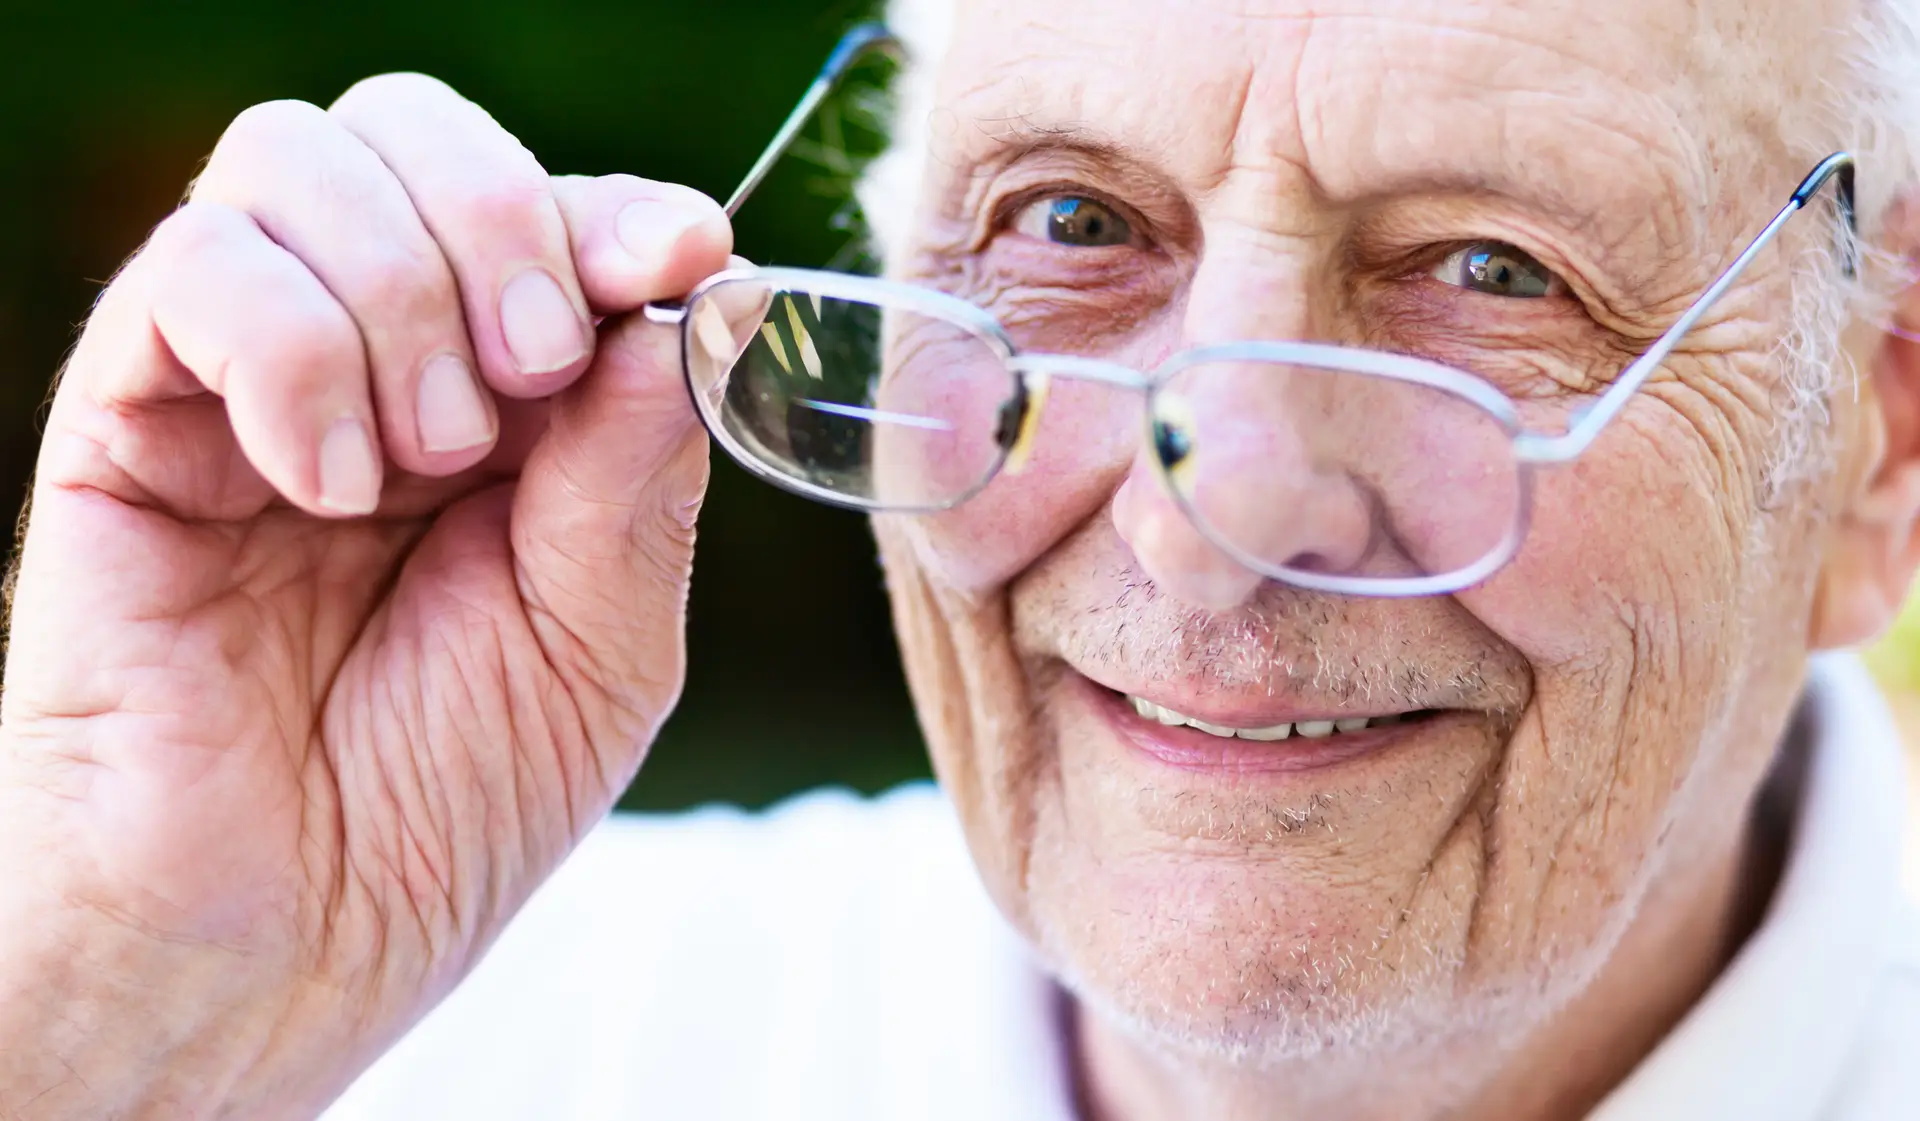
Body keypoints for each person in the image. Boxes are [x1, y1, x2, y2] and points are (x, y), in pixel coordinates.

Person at [3, 0, 1920, 1116]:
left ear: (1874, 458)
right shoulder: (463, 1050)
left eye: (1495, 272)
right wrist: (122, 1006)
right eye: (1074, 221)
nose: (1205, 518)